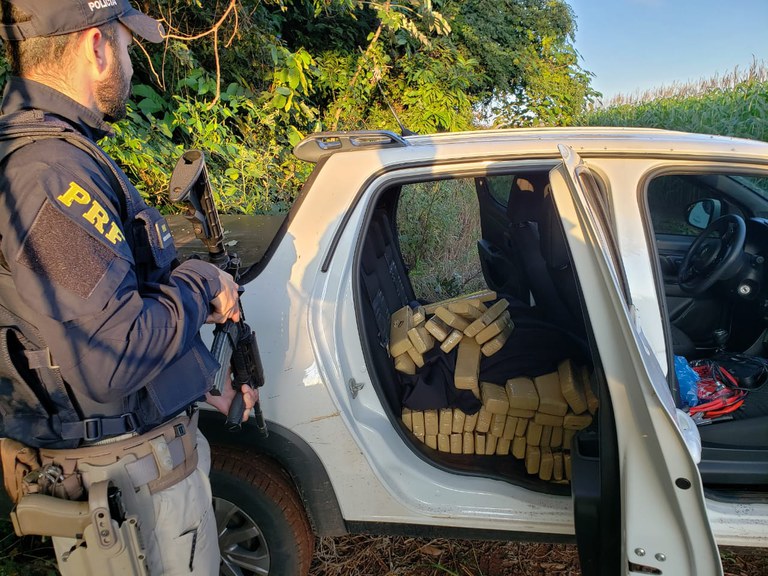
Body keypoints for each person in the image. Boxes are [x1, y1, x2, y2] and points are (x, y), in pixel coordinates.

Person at [0, 1, 259, 574]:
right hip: (129, 491)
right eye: (125, 44)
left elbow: (108, 313)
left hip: (136, 468)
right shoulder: (48, 174)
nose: (131, 62)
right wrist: (201, 283)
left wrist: (198, 381)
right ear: (96, 47)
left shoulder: (60, 156)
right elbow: (112, 357)